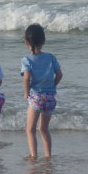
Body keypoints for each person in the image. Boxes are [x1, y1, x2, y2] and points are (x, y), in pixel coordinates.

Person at [21, 24, 63, 158]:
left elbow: (27, 78)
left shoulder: (27, 60)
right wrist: (53, 85)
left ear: (26, 42)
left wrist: (26, 93)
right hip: (50, 97)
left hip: (36, 97)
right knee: (44, 129)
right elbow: (60, 75)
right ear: (43, 41)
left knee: (30, 130)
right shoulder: (51, 57)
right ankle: (48, 155)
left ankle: (33, 156)